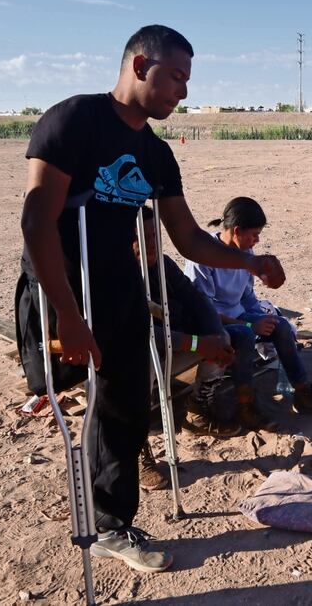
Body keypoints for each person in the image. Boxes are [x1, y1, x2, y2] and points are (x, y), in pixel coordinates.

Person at [17, 25, 285, 573]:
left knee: (124, 399)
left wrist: (250, 262)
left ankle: (112, 522)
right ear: (140, 66)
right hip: (61, 286)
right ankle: (101, 506)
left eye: (188, 80)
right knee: (85, 394)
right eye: (176, 78)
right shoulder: (72, 122)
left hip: (118, 286)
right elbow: (37, 219)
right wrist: (68, 314)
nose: (182, 92)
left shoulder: (157, 154)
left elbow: (187, 236)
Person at [185, 197, 312, 418]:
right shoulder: (203, 258)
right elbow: (204, 312)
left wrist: (262, 317)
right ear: (237, 230)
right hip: (213, 323)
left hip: (238, 315)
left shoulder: (244, 253)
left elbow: (247, 296)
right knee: (246, 334)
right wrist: (249, 323)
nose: (257, 241)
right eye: (254, 234)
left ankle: (303, 392)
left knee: (282, 326)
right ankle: (245, 405)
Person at [132, 206, 238, 491]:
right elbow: (137, 333)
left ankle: (197, 410)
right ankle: (137, 453)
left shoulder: (162, 264)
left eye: (156, 235)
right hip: (133, 357)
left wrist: (215, 336)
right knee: (139, 369)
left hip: (170, 348)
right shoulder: (117, 276)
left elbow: (196, 299)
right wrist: (197, 343)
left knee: (224, 340)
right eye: (143, 237)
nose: (152, 243)